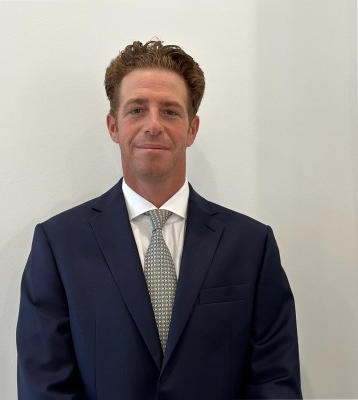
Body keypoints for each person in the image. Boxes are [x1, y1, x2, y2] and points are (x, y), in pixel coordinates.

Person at [17, 40, 302, 399]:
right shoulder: (59, 245)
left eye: (170, 111)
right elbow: (45, 387)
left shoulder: (251, 246)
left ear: (192, 129)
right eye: (137, 110)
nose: (153, 125)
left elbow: (274, 381)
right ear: (113, 126)